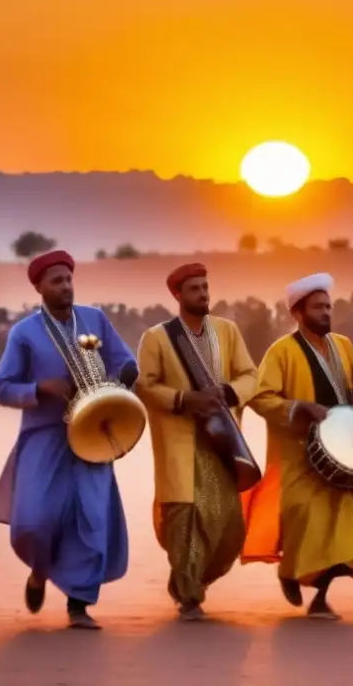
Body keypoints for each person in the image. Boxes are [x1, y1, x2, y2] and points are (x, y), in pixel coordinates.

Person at [0, 249, 139, 630]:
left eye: (68, 279)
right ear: (39, 287)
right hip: (45, 437)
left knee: (91, 519)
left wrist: (124, 377)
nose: (65, 287)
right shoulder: (24, 333)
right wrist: (40, 388)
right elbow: (2, 388)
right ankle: (39, 570)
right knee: (35, 519)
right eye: (56, 281)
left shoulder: (95, 319)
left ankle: (79, 605)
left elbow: (123, 361)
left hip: (94, 436)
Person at [241, 273, 353, 620]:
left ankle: (319, 596)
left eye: (328, 306)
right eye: (318, 307)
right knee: (308, 524)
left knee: (350, 533)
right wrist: (300, 407)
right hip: (298, 457)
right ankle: (291, 571)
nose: (325, 312)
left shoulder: (343, 345)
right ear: (298, 312)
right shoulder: (281, 351)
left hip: (342, 457)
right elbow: (261, 397)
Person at [135, 263, 258, 620]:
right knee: (185, 517)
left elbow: (250, 374)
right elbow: (145, 385)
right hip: (180, 441)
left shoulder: (228, 331)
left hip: (222, 442)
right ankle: (188, 595)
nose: (203, 294)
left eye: (205, 287)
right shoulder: (157, 337)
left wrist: (229, 391)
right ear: (177, 295)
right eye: (194, 289)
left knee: (227, 522)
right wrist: (184, 400)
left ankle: (197, 581)